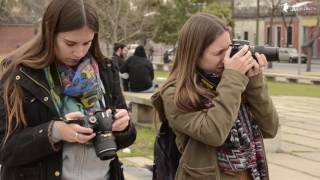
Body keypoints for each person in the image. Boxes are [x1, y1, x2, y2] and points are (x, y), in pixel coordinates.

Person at [0, 0, 136, 180]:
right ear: (50, 34)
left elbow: (126, 138)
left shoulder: (106, 69)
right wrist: (54, 131)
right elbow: (5, 149)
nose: (79, 52)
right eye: (70, 44)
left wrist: (124, 126)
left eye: (87, 42)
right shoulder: (21, 75)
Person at [152, 13, 279, 180]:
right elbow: (214, 133)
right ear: (195, 54)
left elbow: (270, 128)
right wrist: (233, 77)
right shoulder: (175, 94)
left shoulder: (231, 82)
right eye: (219, 53)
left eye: (229, 49)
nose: (227, 58)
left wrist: (254, 82)